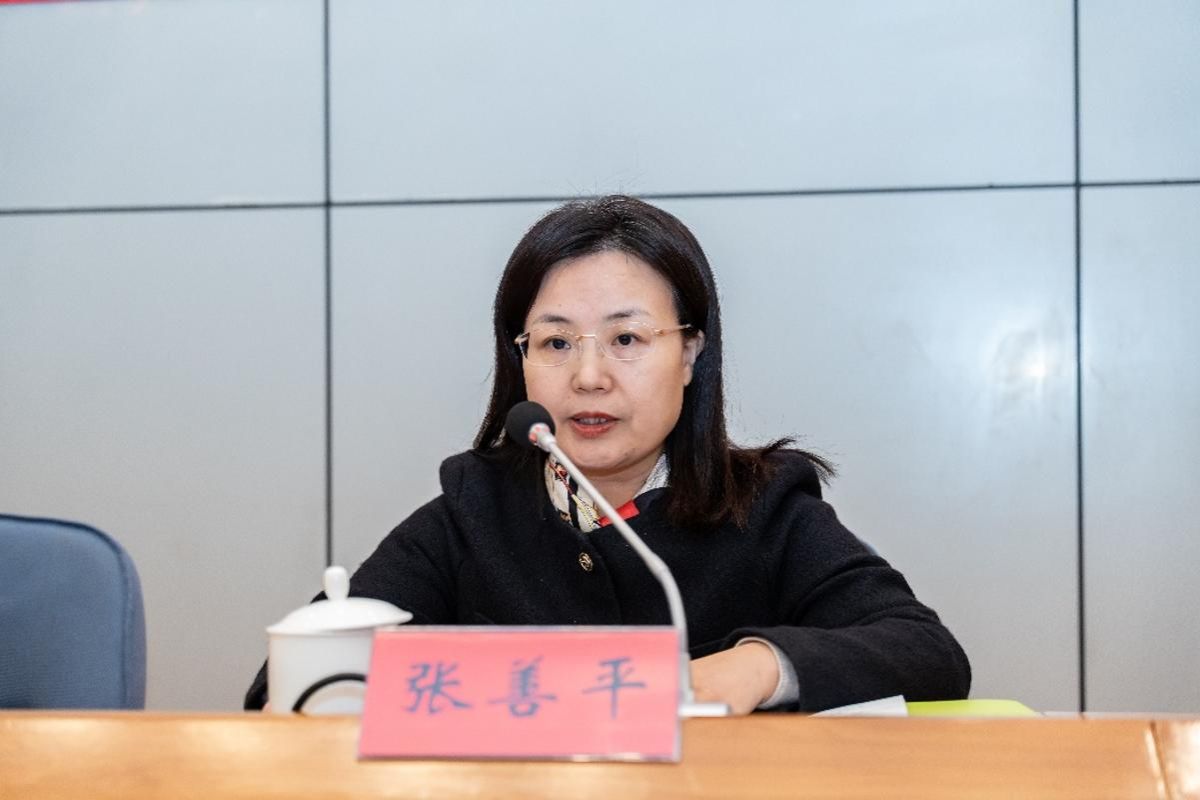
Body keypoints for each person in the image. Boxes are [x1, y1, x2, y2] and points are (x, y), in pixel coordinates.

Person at [245, 195, 970, 713]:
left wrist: (756, 667)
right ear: (520, 359)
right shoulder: (472, 512)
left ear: (690, 353)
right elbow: (284, 690)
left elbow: (926, 651)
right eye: (556, 342)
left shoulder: (764, 508)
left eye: (626, 339)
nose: (589, 376)